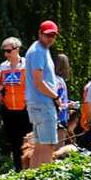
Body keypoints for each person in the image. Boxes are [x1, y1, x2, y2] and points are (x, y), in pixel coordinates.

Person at [24, 20, 61, 168]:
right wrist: (56, 97)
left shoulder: (39, 49)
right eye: (47, 35)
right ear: (40, 33)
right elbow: (39, 82)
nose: (50, 38)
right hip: (43, 104)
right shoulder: (38, 51)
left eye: (53, 35)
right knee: (49, 146)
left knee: (39, 146)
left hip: (36, 103)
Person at [0, 37, 29, 170]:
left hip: (25, 108)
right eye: (4, 51)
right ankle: (17, 169)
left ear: (17, 49)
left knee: (27, 140)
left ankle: (28, 168)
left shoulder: (27, 65)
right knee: (14, 141)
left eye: (9, 51)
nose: (6, 54)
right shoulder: (3, 67)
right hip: (9, 109)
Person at [53, 53, 75, 145]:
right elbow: (55, 99)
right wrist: (68, 105)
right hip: (59, 118)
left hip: (51, 118)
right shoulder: (59, 81)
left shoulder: (51, 79)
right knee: (58, 148)